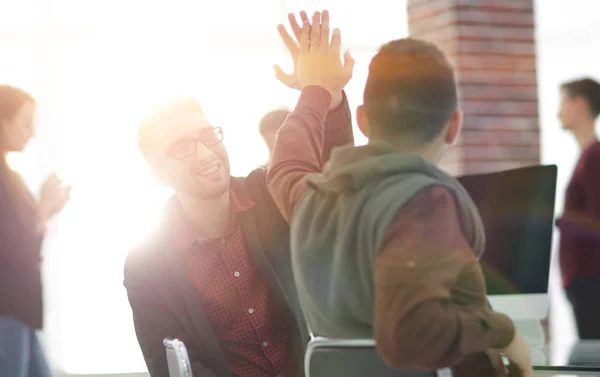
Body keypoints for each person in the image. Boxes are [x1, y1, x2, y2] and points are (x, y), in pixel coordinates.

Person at [266, 13, 532, 377]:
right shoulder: (425, 203)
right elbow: (414, 331)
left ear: (362, 120)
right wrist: (506, 332)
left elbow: (286, 168)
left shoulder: (312, 203)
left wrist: (318, 93)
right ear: (453, 126)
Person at [123, 12, 353, 377]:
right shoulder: (146, 264)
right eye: (181, 147)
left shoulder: (267, 193)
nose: (204, 153)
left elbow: (334, 176)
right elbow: (170, 365)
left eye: (207, 135)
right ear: (158, 174)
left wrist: (331, 95)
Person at [0, 85, 71, 377]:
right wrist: (43, 209)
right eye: (25, 122)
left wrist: (46, 209)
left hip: (21, 312)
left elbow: (25, 238)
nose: (32, 132)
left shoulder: (11, 178)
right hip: (7, 311)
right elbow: (10, 249)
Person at [556, 77, 600, 339]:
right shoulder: (586, 157)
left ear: (579, 105)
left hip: (591, 278)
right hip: (583, 280)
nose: (557, 112)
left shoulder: (595, 158)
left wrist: (558, 220)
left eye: (563, 102)